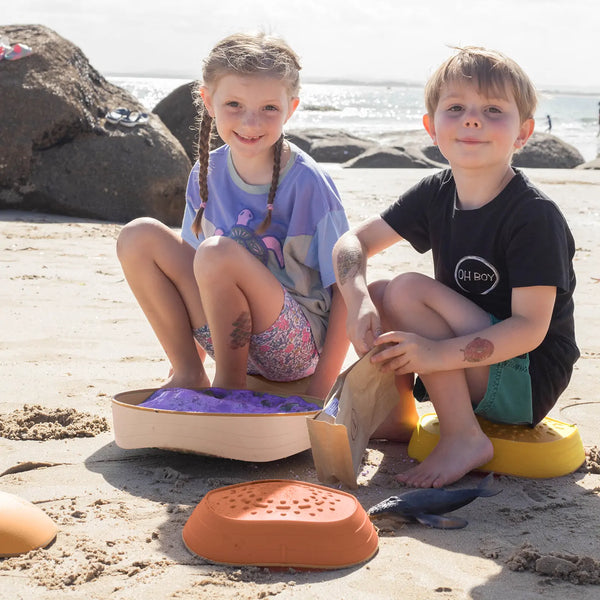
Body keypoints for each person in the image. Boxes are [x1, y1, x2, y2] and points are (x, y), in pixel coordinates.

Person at [332, 46, 579, 488]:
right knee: (384, 290)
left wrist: (434, 355)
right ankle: (397, 413)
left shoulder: (533, 216)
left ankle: (464, 436)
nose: (472, 119)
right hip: (474, 361)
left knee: (406, 289)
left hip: (527, 376)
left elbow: (529, 329)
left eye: (492, 110)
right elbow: (352, 243)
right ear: (431, 127)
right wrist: (358, 302)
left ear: (523, 133)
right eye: (456, 108)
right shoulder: (436, 192)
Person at [117, 32, 349, 399]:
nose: (251, 122)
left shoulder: (309, 183)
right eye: (234, 105)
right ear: (208, 101)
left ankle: (229, 387)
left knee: (216, 252)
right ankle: (189, 373)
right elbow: (192, 272)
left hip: (291, 348)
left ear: (292, 107)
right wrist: (188, 354)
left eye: (269, 108)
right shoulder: (206, 172)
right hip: (221, 331)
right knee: (138, 235)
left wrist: (320, 389)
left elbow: (347, 291)